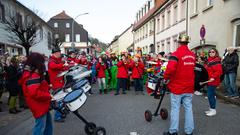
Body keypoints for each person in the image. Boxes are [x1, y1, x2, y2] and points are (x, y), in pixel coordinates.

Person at [163, 34, 195, 135]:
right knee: (188, 108)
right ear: (187, 43)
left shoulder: (176, 54)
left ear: (178, 42)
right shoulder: (192, 55)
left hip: (177, 87)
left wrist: (166, 78)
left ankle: (173, 131)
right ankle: (189, 131)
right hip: (189, 86)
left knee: (175, 109)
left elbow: (170, 69)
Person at [19, 52, 52, 135]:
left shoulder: (32, 72)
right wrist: (48, 95)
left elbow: (39, 86)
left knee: (47, 124)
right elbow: (34, 93)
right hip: (39, 105)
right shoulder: (32, 75)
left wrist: (48, 87)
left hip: (42, 103)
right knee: (40, 127)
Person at [48, 48, 68, 122]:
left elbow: (63, 68)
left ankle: (60, 113)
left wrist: (66, 66)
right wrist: (63, 64)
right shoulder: (51, 61)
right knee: (58, 101)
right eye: (59, 53)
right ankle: (57, 116)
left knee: (61, 100)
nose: (60, 54)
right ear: (55, 53)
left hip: (60, 83)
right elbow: (54, 66)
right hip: (56, 84)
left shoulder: (57, 60)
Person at [204, 48, 223, 116]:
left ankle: (213, 110)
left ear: (216, 53)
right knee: (210, 95)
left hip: (213, 81)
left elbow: (219, 71)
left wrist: (213, 77)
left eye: (213, 52)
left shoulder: (216, 60)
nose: (211, 53)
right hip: (208, 80)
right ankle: (211, 109)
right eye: (210, 52)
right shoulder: (209, 60)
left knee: (210, 95)